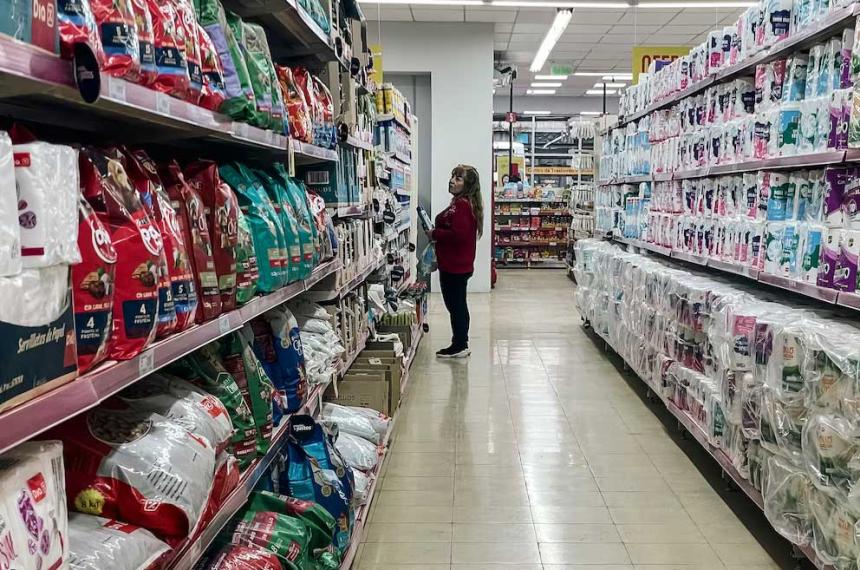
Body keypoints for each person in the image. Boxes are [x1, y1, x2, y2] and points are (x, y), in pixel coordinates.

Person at [430, 164, 483, 358]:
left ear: (467, 185)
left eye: (458, 178)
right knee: (457, 305)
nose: (452, 180)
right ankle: (460, 342)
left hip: (455, 266)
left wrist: (434, 233)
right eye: (453, 176)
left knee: (456, 306)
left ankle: (460, 344)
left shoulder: (462, 205)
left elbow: (458, 235)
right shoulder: (459, 203)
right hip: (456, 264)